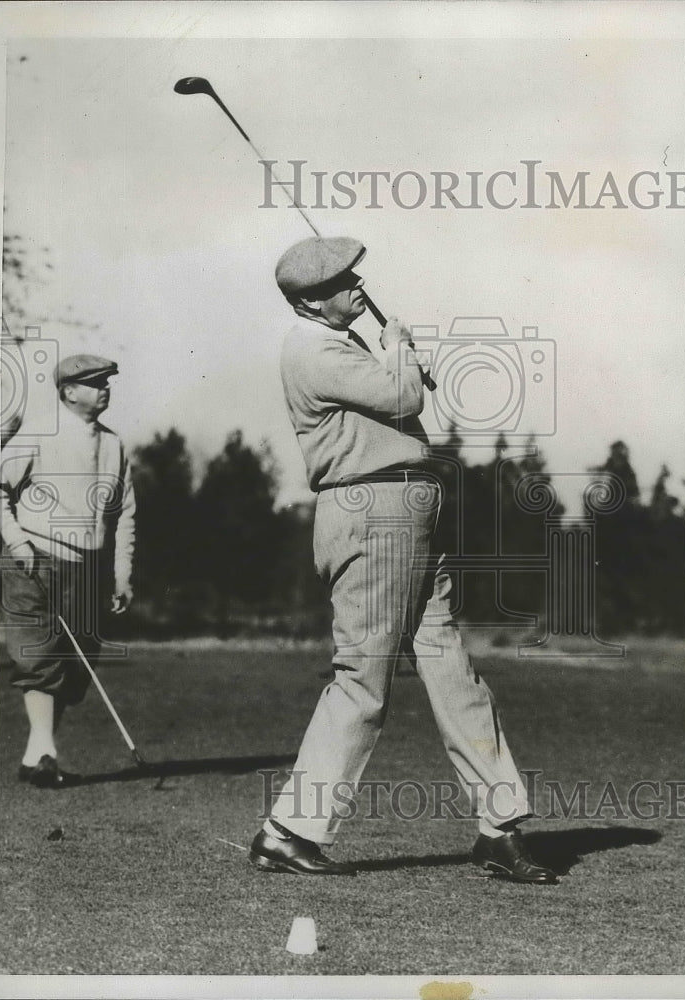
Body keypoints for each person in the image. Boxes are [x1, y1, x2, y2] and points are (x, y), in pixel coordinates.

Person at [248, 237, 558, 883]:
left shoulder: (343, 342)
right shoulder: (312, 347)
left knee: (451, 670)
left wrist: (396, 352)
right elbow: (404, 399)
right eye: (341, 281)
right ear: (310, 299)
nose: (357, 285)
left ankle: (499, 827)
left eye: (355, 275)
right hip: (371, 514)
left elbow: (398, 394)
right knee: (363, 677)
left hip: (407, 514)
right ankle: (288, 831)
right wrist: (401, 348)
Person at [0, 354, 135, 788]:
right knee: (39, 656)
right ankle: (46, 753)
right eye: (94, 383)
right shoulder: (37, 432)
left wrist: (122, 573)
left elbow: (124, 514)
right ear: (68, 391)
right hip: (34, 558)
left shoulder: (114, 443)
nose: (104, 389)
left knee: (74, 663)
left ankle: (36, 756)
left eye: (107, 382)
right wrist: (18, 543)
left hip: (88, 567)